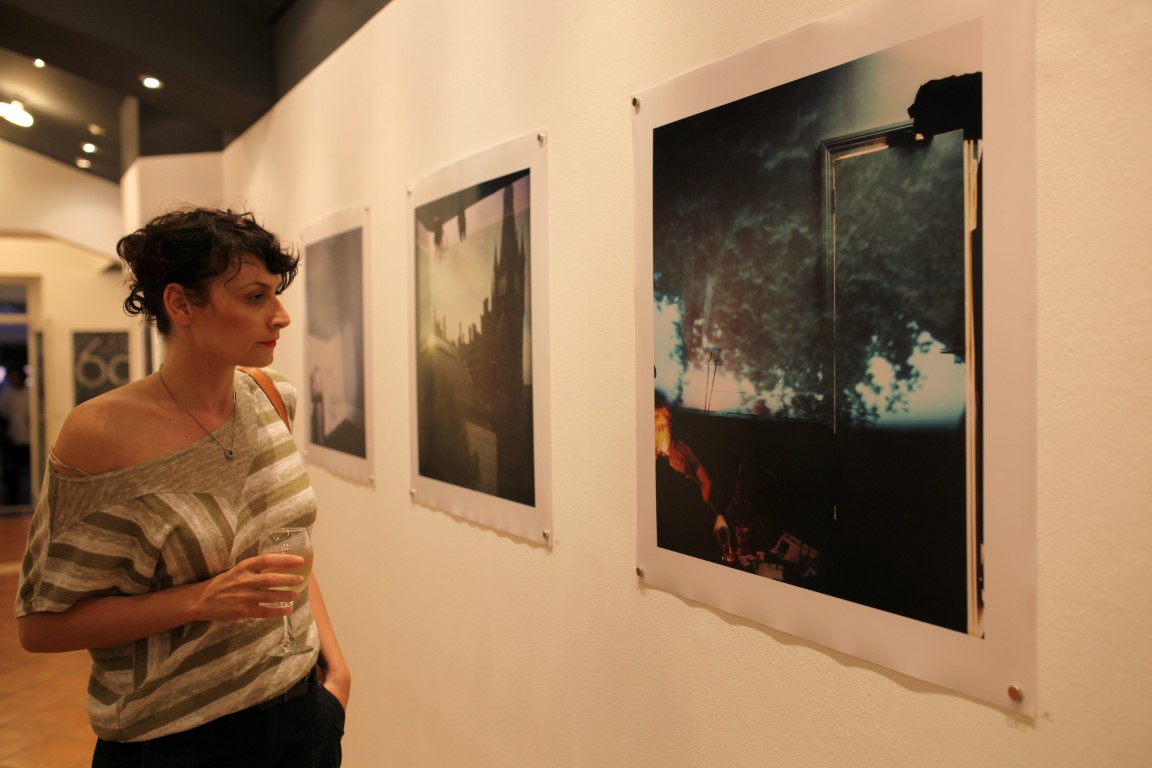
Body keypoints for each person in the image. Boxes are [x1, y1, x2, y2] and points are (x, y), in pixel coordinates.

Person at [14, 208, 350, 767]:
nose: (282, 316)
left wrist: (334, 673)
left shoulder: (272, 397)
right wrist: (199, 600)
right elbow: (41, 625)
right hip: (175, 741)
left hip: (300, 717)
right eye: (255, 297)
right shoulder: (100, 434)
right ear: (181, 304)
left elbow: (287, 551)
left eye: (276, 294)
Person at [0, 365, 30, 505]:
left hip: (29, 441)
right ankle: (12, 502)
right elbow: (3, 413)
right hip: (13, 439)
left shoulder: (29, 394)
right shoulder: (7, 394)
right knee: (13, 474)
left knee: (29, 472)